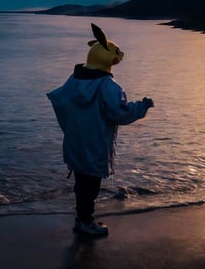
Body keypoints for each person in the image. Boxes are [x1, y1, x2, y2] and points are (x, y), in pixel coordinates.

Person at [47, 23, 154, 236]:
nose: (120, 55)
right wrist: (142, 106)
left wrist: (72, 127)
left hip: (76, 143)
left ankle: (82, 218)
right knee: (91, 186)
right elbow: (119, 112)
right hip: (95, 145)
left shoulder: (74, 79)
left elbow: (61, 101)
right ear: (106, 58)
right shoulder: (107, 85)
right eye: (116, 53)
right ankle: (85, 222)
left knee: (81, 184)